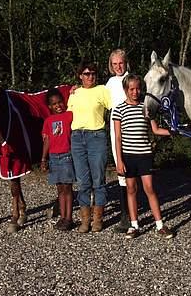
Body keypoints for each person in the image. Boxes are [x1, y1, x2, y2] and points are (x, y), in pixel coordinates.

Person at [112, 74, 174, 239]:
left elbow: (155, 129)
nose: (135, 92)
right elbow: (118, 137)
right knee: (131, 189)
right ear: (125, 90)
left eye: (138, 88)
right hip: (128, 155)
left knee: (149, 189)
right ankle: (134, 225)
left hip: (144, 154)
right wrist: (119, 161)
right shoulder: (118, 110)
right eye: (131, 89)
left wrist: (173, 132)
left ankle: (160, 224)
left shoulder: (145, 107)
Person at [68, 61, 112, 233]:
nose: (90, 76)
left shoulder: (102, 90)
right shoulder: (74, 93)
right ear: (80, 76)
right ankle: (85, 220)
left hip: (96, 136)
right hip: (77, 137)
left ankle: (98, 220)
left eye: (93, 73)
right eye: (86, 74)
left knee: (98, 180)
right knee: (82, 181)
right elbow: (68, 115)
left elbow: (114, 108)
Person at [41, 88, 76, 231]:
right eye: (54, 104)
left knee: (67, 188)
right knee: (60, 189)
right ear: (50, 106)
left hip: (67, 156)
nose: (58, 106)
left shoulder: (69, 116)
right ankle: (62, 216)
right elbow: (47, 140)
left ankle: (69, 218)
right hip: (54, 158)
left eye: (60, 102)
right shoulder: (48, 121)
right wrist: (44, 158)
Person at [105, 49, 131, 233]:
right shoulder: (110, 82)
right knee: (121, 169)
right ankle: (125, 215)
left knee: (136, 171)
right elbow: (100, 100)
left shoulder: (133, 80)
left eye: (120, 63)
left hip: (133, 129)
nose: (118, 67)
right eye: (114, 64)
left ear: (126, 62)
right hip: (116, 130)